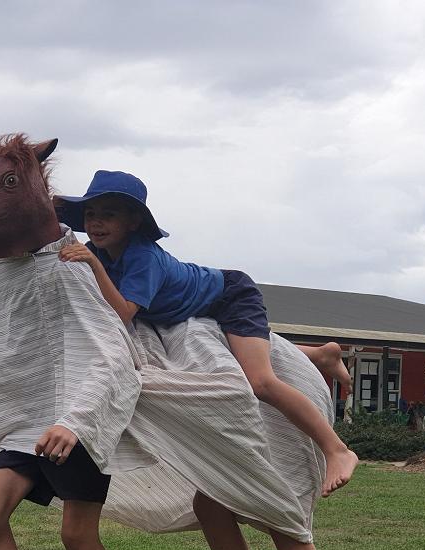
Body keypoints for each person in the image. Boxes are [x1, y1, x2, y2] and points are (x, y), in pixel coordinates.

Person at [56, 171, 357, 496]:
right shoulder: (98, 251)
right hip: (189, 308)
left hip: (228, 297)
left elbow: (124, 314)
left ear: (133, 222)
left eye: (109, 214)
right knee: (240, 349)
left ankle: (337, 450)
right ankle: (319, 354)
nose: (97, 222)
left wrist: (94, 267)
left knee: (261, 382)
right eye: (91, 214)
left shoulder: (141, 257)